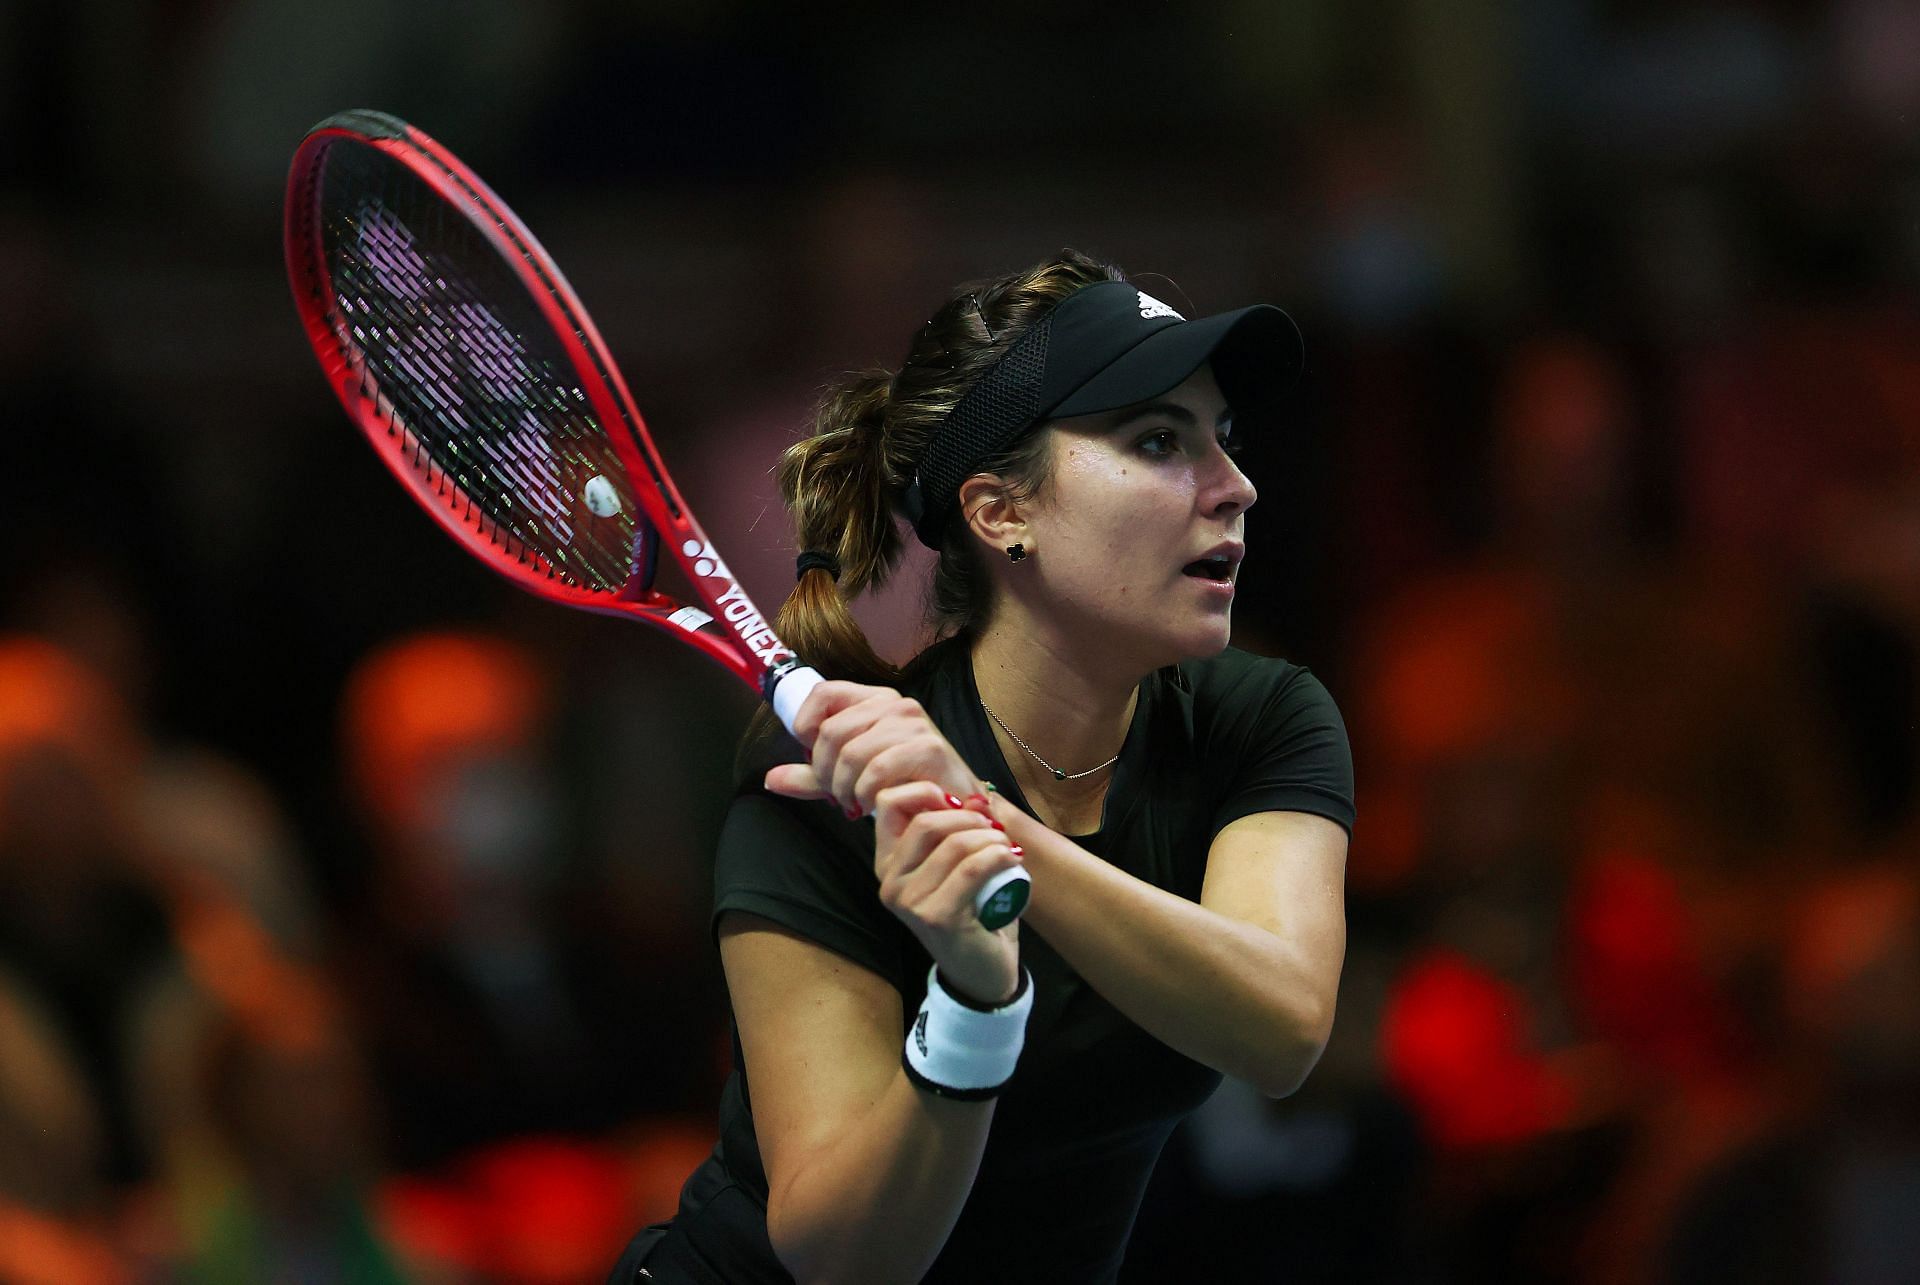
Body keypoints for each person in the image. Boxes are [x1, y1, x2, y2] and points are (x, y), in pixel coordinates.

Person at [610, 249, 1354, 1284]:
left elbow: (1280, 1027)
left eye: (1223, 440)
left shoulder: (1260, 720)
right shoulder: (816, 791)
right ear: (1003, 512)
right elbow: (842, 1256)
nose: (1235, 486)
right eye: (1157, 439)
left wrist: (997, 828)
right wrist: (973, 1003)